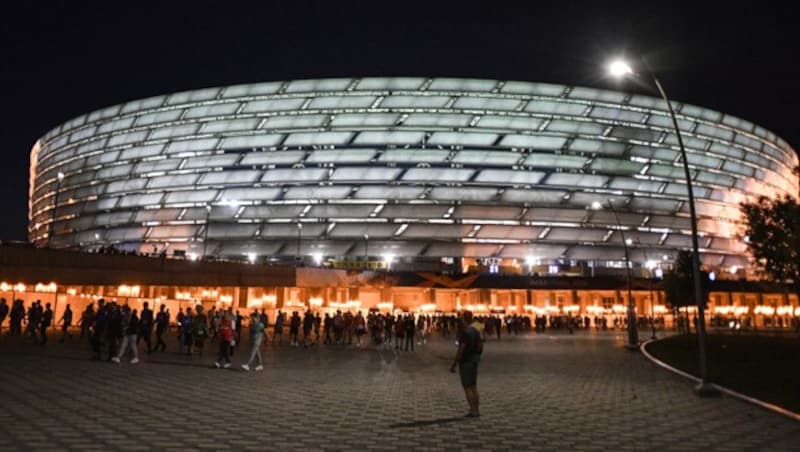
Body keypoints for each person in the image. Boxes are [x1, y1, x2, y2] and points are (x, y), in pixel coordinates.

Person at [450, 311, 483, 418]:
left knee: (467, 387)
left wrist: (454, 363)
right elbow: (480, 346)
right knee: (474, 386)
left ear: (464, 319)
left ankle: (472, 410)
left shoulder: (465, 332)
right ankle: (477, 409)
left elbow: (461, 350)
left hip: (466, 361)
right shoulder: (476, 331)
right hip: (474, 360)